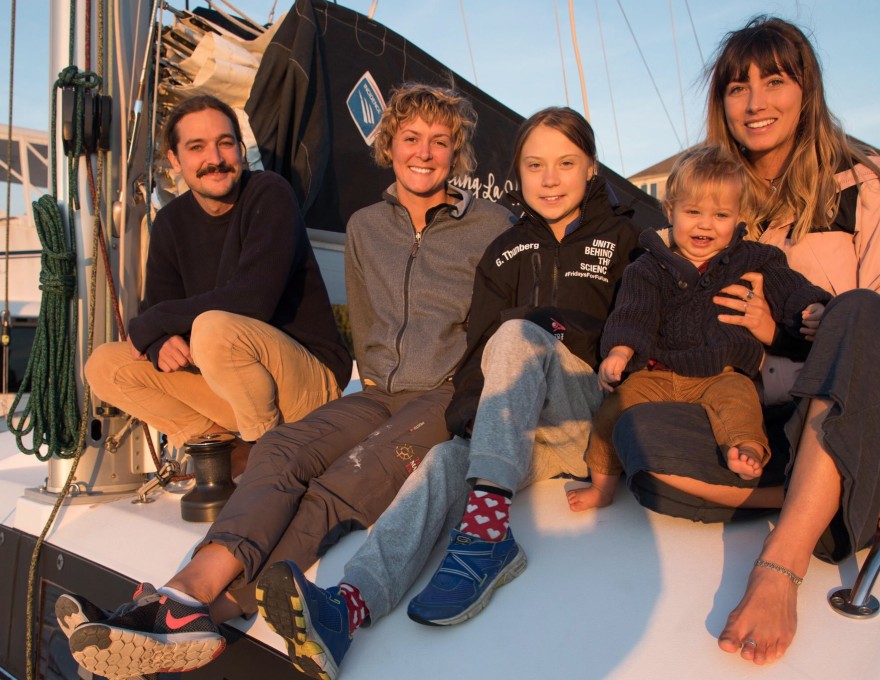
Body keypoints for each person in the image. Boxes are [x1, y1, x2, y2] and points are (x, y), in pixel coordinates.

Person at [64, 83, 513, 679]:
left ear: (458, 154)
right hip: (378, 390)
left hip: (447, 394)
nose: (424, 153)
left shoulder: (492, 225)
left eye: (440, 141)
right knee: (277, 447)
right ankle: (180, 596)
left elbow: (506, 326)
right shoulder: (364, 227)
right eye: (411, 138)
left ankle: (216, 612)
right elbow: (373, 323)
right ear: (389, 146)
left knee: (347, 478)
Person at [252, 106, 643, 679]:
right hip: (527, 433)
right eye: (535, 165)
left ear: (591, 169)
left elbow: (650, 325)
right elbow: (479, 355)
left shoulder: (628, 238)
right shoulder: (505, 252)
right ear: (518, 173)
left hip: (591, 411)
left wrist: (614, 444)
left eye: (566, 163)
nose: (551, 178)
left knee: (518, 333)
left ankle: (485, 537)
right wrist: (469, 421)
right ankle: (347, 606)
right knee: (442, 460)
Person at [609, 16, 880, 665]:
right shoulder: (713, 201)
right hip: (774, 423)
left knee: (859, 308)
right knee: (640, 441)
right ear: (721, 103)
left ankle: (782, 563)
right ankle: (840, 498)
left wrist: (783, 332)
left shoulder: (863, 189)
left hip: (877, 414)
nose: (755, 101)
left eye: (774, 80)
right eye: (738, 86)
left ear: (806, 90)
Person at [84, 94, 351, 467]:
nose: (215, 159)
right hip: (230, 384)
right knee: (103, 365)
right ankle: (225, 452)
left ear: (240, 150)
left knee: (213, 328)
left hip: (309, 384)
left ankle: (268, 462)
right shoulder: (171, 223)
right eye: (197, 147)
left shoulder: (269, 193)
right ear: (175, 160)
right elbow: (158, 306)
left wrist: (153, 323)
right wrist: (160, 339)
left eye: (225, 143)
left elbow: (252, 300)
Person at [567, 143, 831, 512]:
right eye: (693, 212)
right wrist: (621, 350)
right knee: (611, 413)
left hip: (721, 372)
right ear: (670, 210)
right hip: (658, 372)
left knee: (740, 404)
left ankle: (746, 450)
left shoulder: (751, 258)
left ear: (738, 217)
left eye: (720, 215)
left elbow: (789, 286)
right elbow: (634, 312)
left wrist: (812, 306)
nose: (705, 224)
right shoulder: (649, 267)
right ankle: (603, 487)